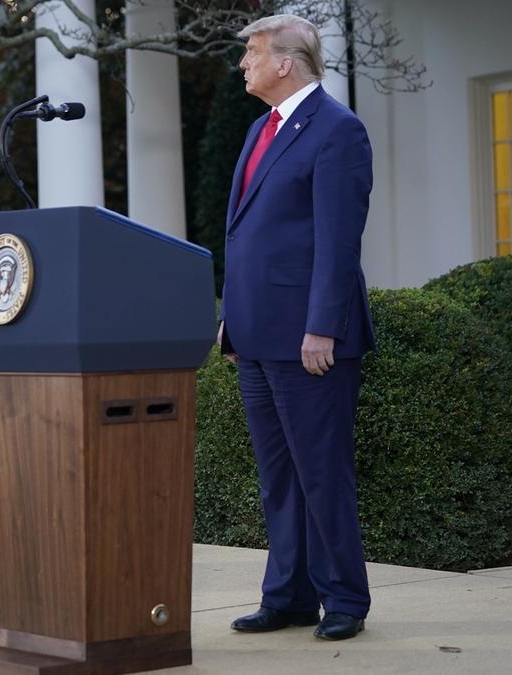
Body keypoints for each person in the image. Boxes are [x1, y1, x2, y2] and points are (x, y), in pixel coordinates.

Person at [218, 15, 376, 640]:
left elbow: (338, 242)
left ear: (287, 62)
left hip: (310, 340)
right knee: (278, 475)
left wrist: (323, 329)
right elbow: (246, 236)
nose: (243, 64)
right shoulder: (262, 128)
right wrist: (232, 319)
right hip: (255, 335)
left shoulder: (339, 130)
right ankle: (287, 596)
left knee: (320, 472)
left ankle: (344, 601)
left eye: (252, 54)